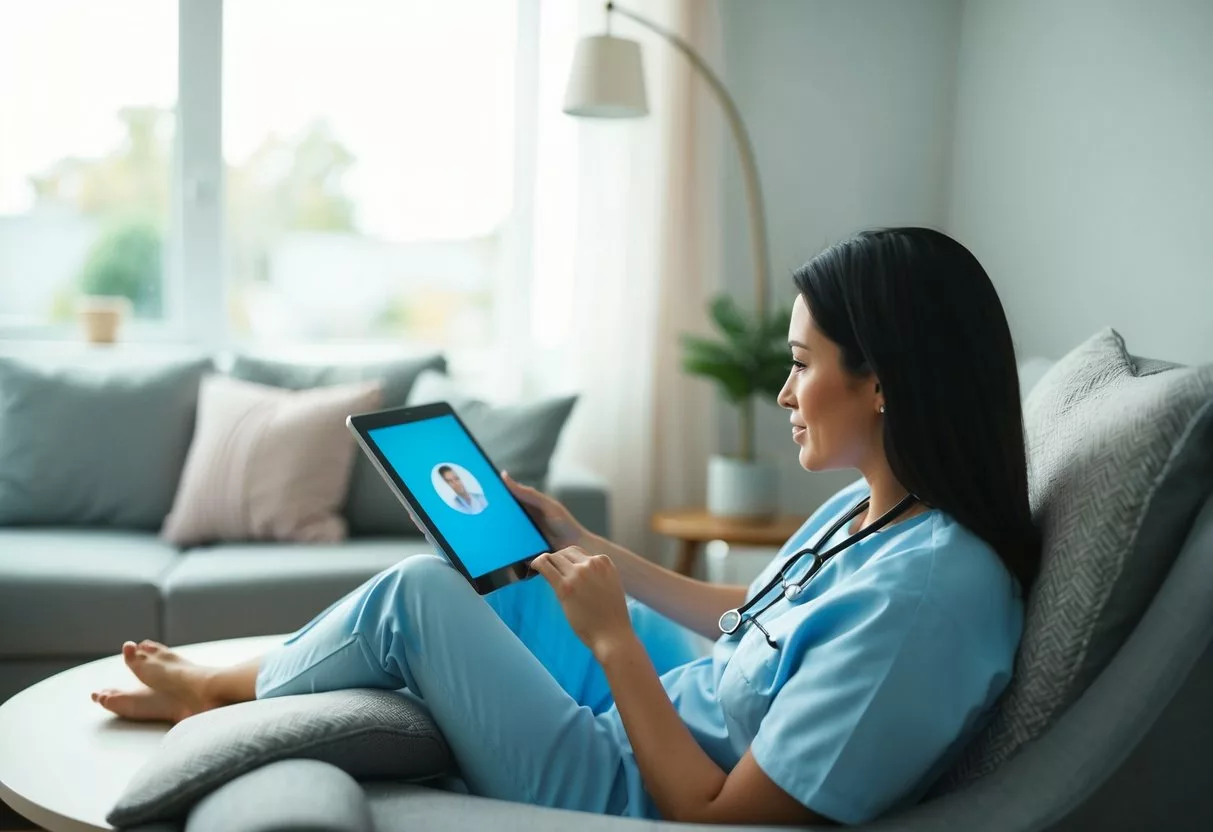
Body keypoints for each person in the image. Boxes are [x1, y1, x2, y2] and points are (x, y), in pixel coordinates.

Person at [91, 228, 1039, 826]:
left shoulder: (927, 600)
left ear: (883, 382)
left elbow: (721, 817)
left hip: (632, 786)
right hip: (678, 701)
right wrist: (588, 548)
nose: (785, 391)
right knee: (505, 580)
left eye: (801, 363)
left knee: (419, 599)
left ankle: (216, 692)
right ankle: (260, 677)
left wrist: (614, 644)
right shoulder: (878, 509)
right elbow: (750, 612)